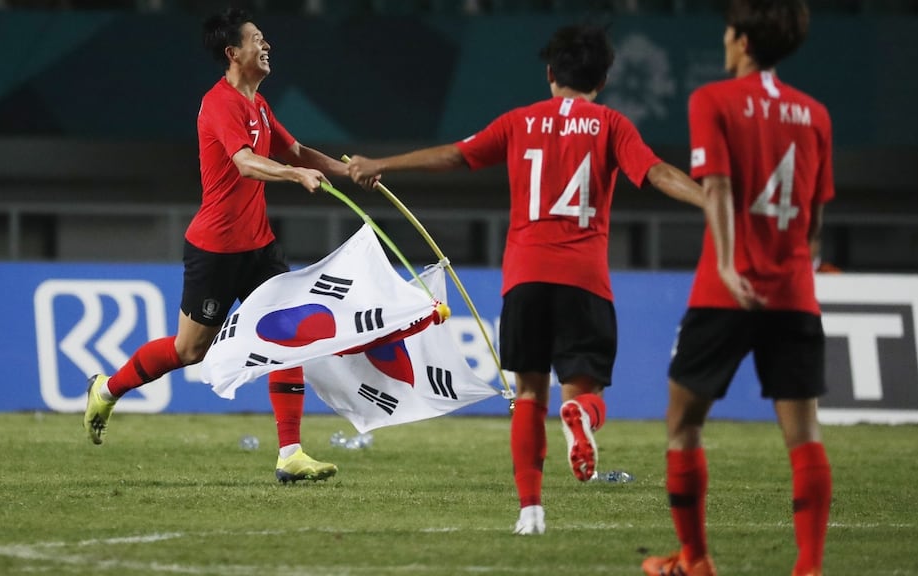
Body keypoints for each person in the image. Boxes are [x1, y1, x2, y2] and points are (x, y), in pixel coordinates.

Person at [347, 24, 707, 535]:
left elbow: (456, 155)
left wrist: (381, 164)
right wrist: (708, 200)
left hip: (525, 278)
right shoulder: (611, 124)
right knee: (584, 391)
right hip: (583, 279)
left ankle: (530, 514)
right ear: (602, 80)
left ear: (550, 74)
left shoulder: (520, 121)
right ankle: (581, 415)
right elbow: (655, 172)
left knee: (529, 395)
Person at [83, 7, 368, 484]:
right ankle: (107, 390)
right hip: (215, 249)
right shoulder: (220, 103)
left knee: (290, 334)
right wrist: (295, 175)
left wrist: (349, 169)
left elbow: (296, 151)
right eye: (257, 39)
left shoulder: (260, 104)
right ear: (233, 52)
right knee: (189, 350)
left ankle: (291, 453)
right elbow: (246, 163)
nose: (267, 44)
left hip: (259, 247)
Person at [641, 1, 833, 575]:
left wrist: (728, 265)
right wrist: (797, 268)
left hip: (724, 292)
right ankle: (809, 568)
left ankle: (695, 560)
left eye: (729, 32)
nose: (724, 40)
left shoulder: (713, 100)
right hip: (793, 293)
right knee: (804, 435)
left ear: (743, 41)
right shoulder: (815, 114)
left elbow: (719, 188)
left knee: (683, 423)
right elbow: (814, 220)